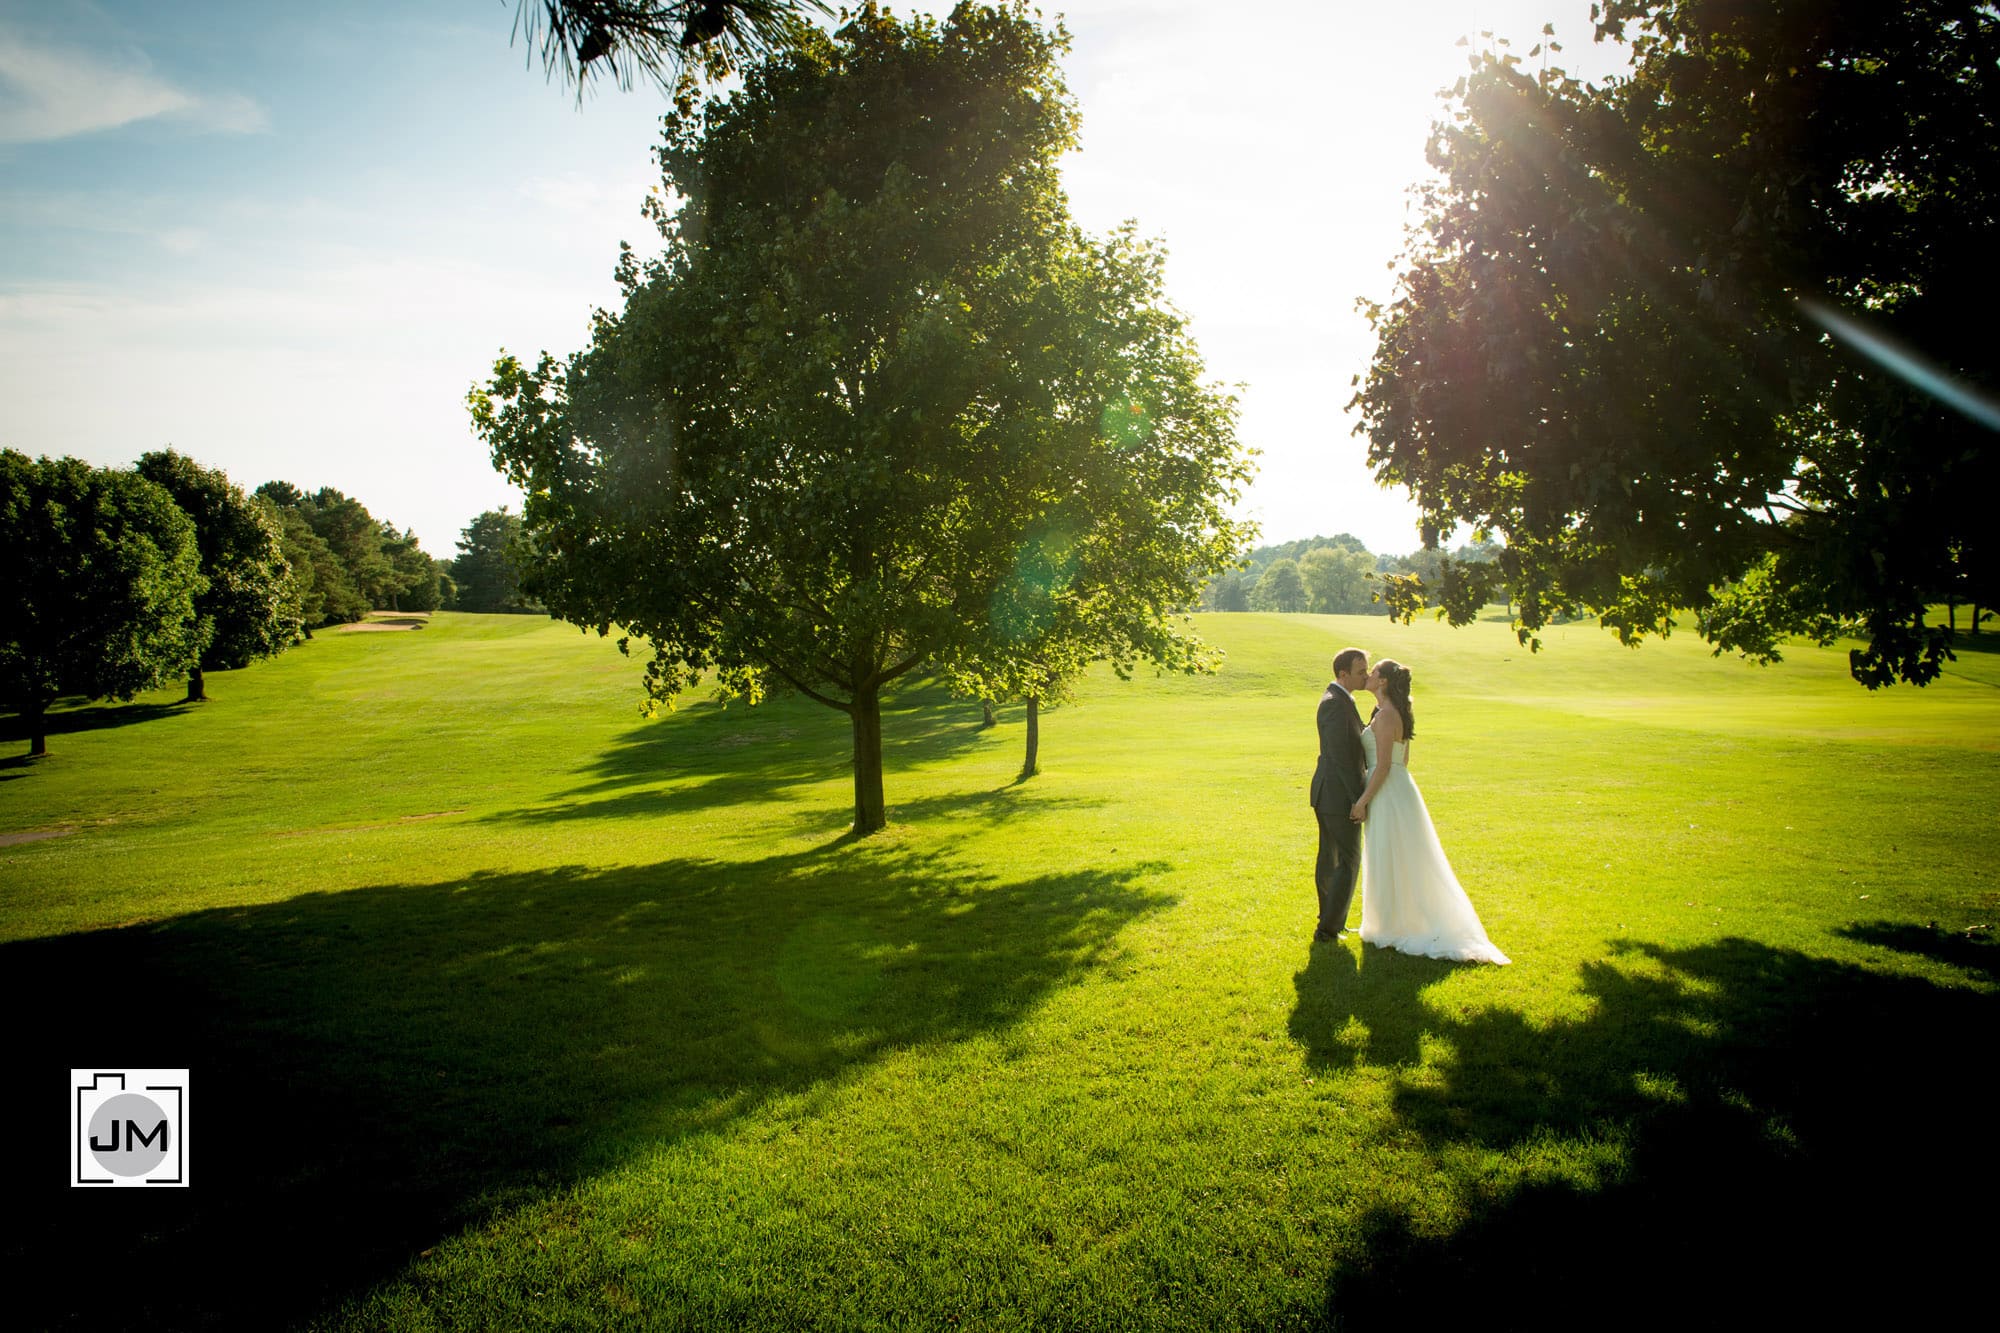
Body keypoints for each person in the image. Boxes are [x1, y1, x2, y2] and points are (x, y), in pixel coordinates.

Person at [1349, 659, 1509, 964]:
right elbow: (1402, 762)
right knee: (1401, 855)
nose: (1368, 676)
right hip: (1401, 788)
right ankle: (1396, 921)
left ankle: (1391, 925)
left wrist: (1363, 801)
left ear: (1382, 682)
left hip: (1385, 790)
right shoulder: (1399, 714)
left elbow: (1383, 765)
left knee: (1387, 853)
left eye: (1373, 673)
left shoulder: (1384, 717)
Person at [1308, 648, 1370, 943]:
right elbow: (1341, 758)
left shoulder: (1343, 700)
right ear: (1342, 674)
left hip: (1330, 792)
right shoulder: (1334, 703)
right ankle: (1329, 928)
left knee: (1332, 859)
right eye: (1361, 671)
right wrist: (1359, 799)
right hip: (1336, 794)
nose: (1366, 675)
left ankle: (1329, 921)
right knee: (1347, 860)